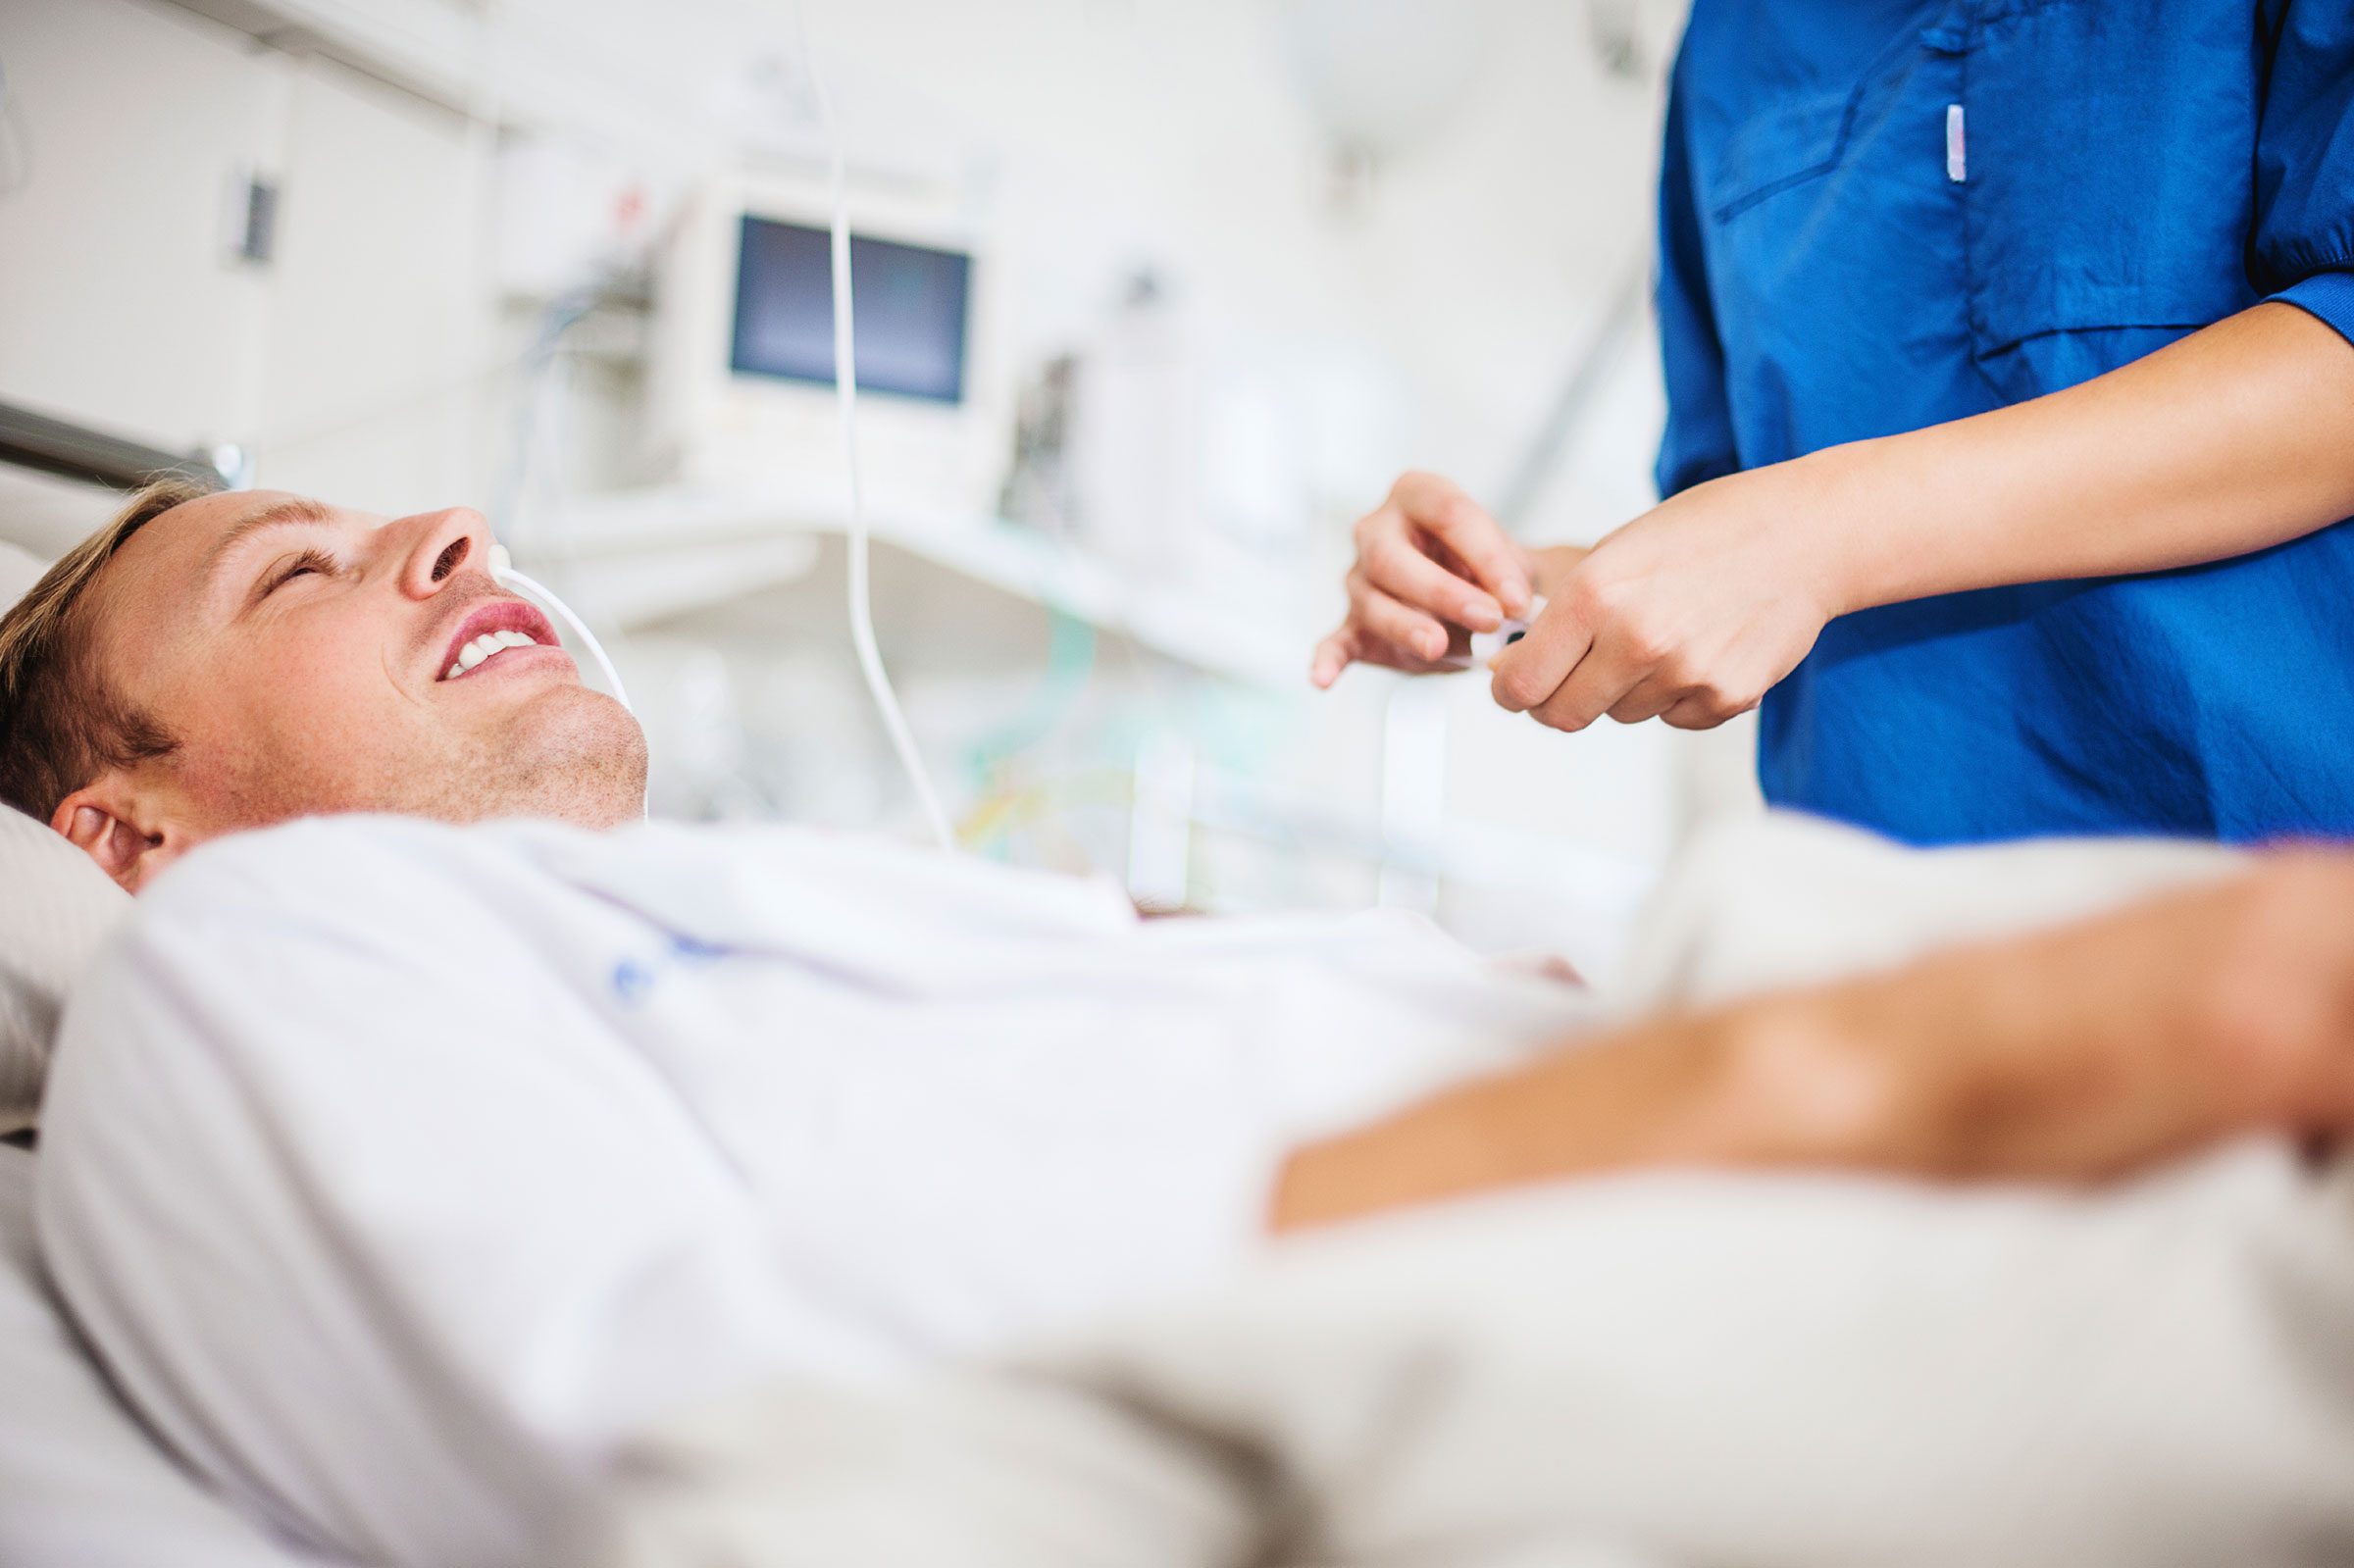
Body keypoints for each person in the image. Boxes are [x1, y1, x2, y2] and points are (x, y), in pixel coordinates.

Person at [11, 481, 2354, 1565]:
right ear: (117, 836)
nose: (440, 528)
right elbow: (739, 1473)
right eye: (293, 572)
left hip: (1799, 1074)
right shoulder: (260, 968)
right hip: (1732, 1226)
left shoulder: (777, 931)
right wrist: (1826, 1074)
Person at [1315, 4, 2354, 846]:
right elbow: (1736, 539)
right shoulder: (1729, 52)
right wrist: (1519, 587)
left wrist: (1824, 535)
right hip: (1874, 978)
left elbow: (1791, 539)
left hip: (2274, 946)